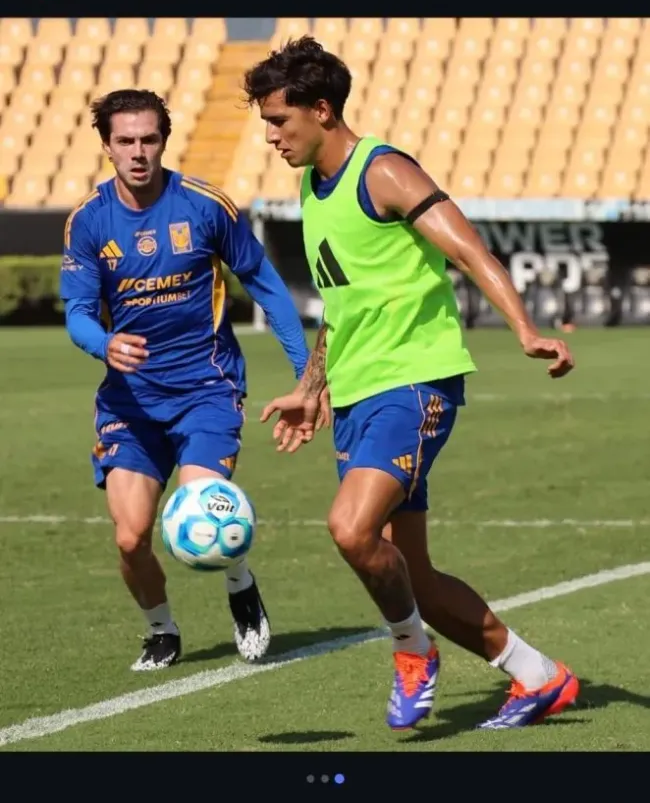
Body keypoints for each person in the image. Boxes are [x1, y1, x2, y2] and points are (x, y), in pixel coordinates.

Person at [244, 36, 580, 731]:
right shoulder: (310, 185)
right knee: (411, 576)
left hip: (416, 384)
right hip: (359, 392)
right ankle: (537, 675)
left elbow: (468, 248)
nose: (271, 136)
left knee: (349, 526)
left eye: (280, 120)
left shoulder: (384, 170)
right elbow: (342, 304)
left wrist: (523, 328)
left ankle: (411, 653)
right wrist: (314, 385)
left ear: (322, 108)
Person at [59, 88, 317, 671]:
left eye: (149, 138)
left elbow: (267, 284)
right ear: (106, 146)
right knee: (130, 539)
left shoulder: (205, 206)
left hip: (207, 389)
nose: (138, 151)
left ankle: (239, 580)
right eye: (125, 140)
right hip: (131, 401)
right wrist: (105, 343)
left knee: (205, 505)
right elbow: (76, 311)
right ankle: (162, 630)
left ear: (164, 141)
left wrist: (306, 373)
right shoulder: (88, 222)